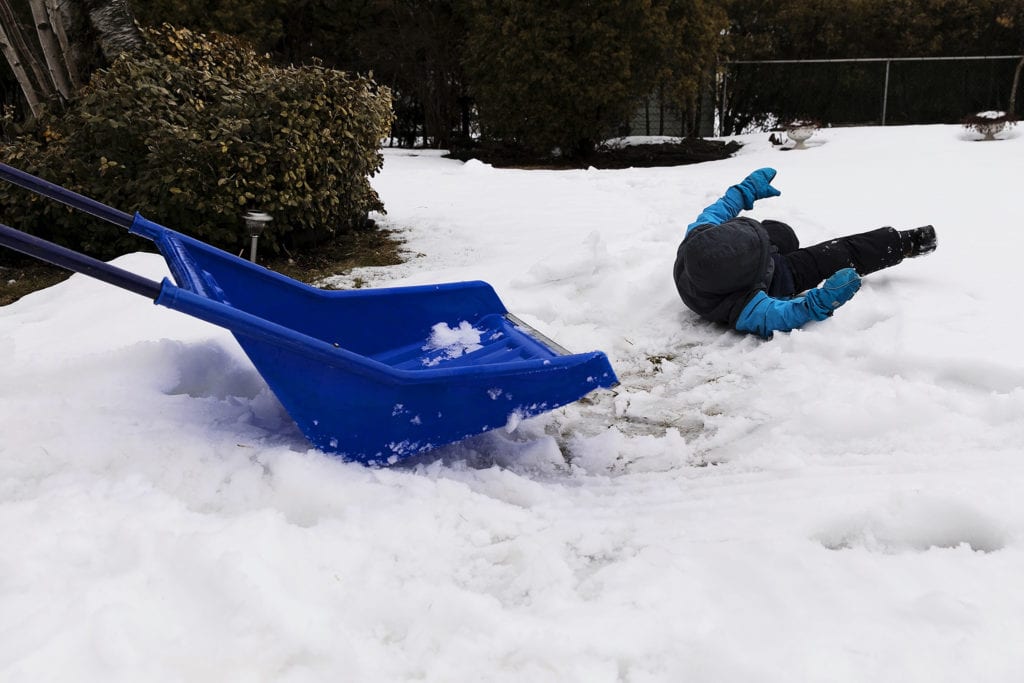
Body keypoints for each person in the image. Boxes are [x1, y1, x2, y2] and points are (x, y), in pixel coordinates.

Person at [673, 167, 936, 338]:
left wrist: (746, 190)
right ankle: (906, 242)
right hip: (780, 277)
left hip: (754, 252)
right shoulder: (743, 307)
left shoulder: (696, 242)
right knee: (839, 252)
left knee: (783, 232)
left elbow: (719, 210)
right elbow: (783, 316)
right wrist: (820, 301)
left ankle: (768, 238)